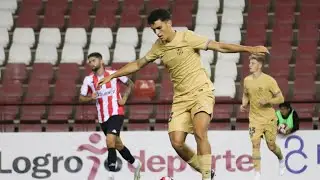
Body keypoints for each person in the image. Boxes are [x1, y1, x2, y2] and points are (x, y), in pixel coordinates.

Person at [98, 9, 268, 180]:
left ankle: (206, 177)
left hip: (201, 92)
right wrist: (113, 75)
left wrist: (249, 49)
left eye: (159, 28)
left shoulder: (187, 37)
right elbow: (138, 64)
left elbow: (219, 46)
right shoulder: (158, 47)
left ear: (169, 23)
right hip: (180, 99)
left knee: (200, 132)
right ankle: (205, 170)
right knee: (176, 142)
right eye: (153, 30)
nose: (157, 33)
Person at [79, 52, 142, 180]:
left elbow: (130, 83)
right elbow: (80, 98)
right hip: (102, 117)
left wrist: (124, 98)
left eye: (94, 60)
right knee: (117, 144)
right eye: (90, 61)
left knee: (110, 140)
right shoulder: (89, 79)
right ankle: (136, 164)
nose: (91, 63)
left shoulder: (114, 73)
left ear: (101, 61)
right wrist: (89, 97)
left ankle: (111, 174)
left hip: (116, 112)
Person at [240, 54, 285, 180]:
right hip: (254, 119)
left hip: (269, 119)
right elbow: (245, 94)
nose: (249, 65)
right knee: (255, 144)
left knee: (271, 146)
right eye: (250, 63)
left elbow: (281, 98)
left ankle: (281, 159)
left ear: (259, 65)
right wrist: (244, 104)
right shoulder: (247, 80)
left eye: (252, 63)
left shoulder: (269, 80)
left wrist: (268, 101)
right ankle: (257, 173)